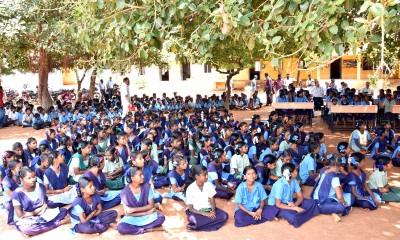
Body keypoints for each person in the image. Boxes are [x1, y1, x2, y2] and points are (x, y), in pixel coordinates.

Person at [9, 167, 69, 236]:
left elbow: (44, 202)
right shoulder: (17, 193)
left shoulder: (40, 186)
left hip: (42, 213)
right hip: (28, 218)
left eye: (34, 176)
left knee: (63, 211)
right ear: (21, 179)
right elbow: (21, 215)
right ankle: (58, 223)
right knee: (26, 228)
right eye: (29, 178)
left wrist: (43, 209)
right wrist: (38, 211)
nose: (33, 179)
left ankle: (45, 225)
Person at [268, 163, 320, 228]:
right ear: (290, 174)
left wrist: (295, 204)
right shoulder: (280, 184)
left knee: (313, 203)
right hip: (277, 206)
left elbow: (300, 196)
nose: (297, 171)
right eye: (295, 170)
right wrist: (295, 208)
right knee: (293, 218)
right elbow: (278, 204)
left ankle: (299, 214)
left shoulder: (294, 180)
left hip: (290, 202)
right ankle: (301, 214)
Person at [117, 166, 165, 235]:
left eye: (142, 174)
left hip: (146, 216)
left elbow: (151, 205)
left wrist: (133, 210)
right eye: (140, 175)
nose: (143, 176)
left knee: (161, 217)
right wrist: (146, 212)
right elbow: (127, 213)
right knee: (121, 227)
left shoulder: (147, 187)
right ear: (132, 178)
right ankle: (148, 229)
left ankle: (136, 229)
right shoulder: (125, 192)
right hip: (133, 218)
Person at [311, 154, 354, 222]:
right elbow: (340, 197)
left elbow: (316, 180)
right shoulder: (334, 177)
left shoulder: (323, 170)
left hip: (315, 198)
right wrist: (345, 203)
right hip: (322, 203)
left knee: (347, 197)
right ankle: (333, 212)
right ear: (340, 166)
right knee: (343, 204)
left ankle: (332, 212)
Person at [185, 165, 229, 231]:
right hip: (197, 212)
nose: (207, 177)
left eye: (207, 174)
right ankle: (200, 224)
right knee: (193, 218)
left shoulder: (208, 185)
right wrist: (205, 214)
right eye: (204, 175)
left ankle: (197, 226)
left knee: (224, 216)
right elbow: (191, 208)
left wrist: (213, 211)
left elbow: (212, 201)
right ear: (197, 176)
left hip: (208, 209)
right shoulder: (190, 188)